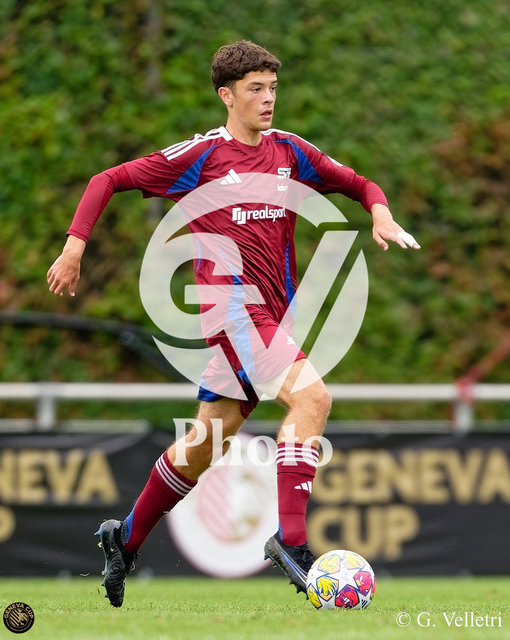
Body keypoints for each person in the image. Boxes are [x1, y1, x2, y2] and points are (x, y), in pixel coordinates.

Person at [47, 40, 420, 608]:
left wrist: (381, 213)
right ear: (227, 95)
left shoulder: (291, 152)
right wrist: (74, 248)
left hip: (270, 317)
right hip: (233, 311)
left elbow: (359, 183)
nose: (268, 99)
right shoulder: (201, 157)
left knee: (206, 442)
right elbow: (107, 179)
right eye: (255, 89)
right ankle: (291, 542)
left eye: (273, 88)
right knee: (312, 399)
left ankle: (125, 537)